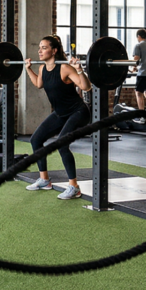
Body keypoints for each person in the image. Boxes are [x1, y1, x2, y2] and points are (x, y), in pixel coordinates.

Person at [22, 35, 92, 200]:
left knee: (62, 144)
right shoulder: (42, 69)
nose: (39, 51)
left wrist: (80, 70)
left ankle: (74, 186)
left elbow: (86, 87)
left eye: (44, 47)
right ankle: (44, 180)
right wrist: (28, 69)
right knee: (35, 140)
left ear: (54, 51)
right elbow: (39, 84)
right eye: (39, 47)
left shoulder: (65, 68)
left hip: (78, 112)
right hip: (60, 113)